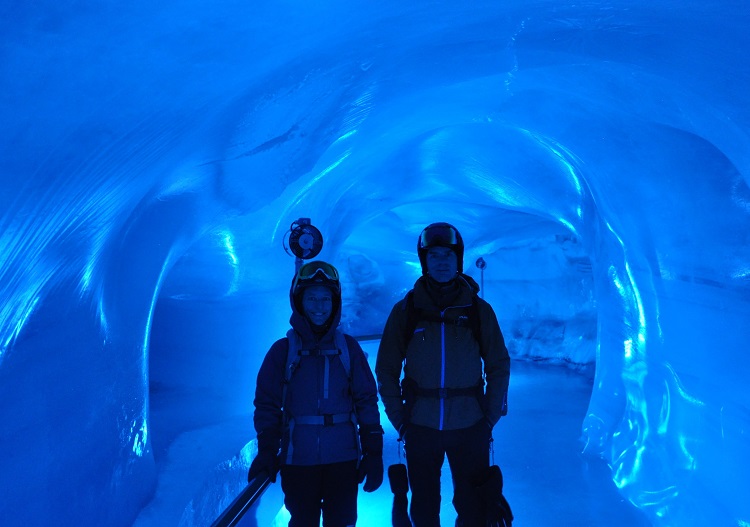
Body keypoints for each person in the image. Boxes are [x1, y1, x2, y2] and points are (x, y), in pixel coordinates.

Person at [375, 222, 511, 527]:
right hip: (420, 427)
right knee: (423, 510)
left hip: (470, 426)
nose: (441, 262)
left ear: (457, 259)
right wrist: (400, 420)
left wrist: (489, 418)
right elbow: (386, 368)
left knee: (474, 508)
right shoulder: (406, 311)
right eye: (433, 255)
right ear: (424, 261)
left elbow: (499, 364)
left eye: (447, 255)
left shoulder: (478, 310)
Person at [248, 260, 384, 527]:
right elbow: (267, 403)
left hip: (343, 460)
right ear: (299, 302)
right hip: (298, 461)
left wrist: (373, 451)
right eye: (311, 298)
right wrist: (267, 449)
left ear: (335, 303)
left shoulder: (349, 349)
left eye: (325, 299)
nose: (319, 306)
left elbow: (366, 400)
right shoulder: (282, 351)